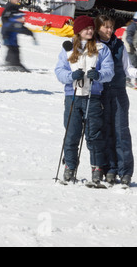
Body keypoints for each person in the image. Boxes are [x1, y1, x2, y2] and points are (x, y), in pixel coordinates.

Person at [55, 15, 114, 184]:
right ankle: (70, 167)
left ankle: (97, 168)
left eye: (91, 28)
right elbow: (59, 71)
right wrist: (70, 76)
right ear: (78, 31)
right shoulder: (68, 49)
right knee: (71, 133)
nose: (90, 31)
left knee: (94, 135)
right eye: (86, 28)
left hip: (92, 97)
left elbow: (109, 71)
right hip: (73, 96)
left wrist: (100, 75)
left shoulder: (102, 48)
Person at [94, 15, 137, 187]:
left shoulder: (118, 45)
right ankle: (109, 168)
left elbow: (127, 68)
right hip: (101, 93)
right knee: (105, 132)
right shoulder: (93, 45)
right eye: (105, 27)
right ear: (98, 28)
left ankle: (125, 171)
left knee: (121, 131)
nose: (109, 30)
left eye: (111, 27)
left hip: (118, 93)